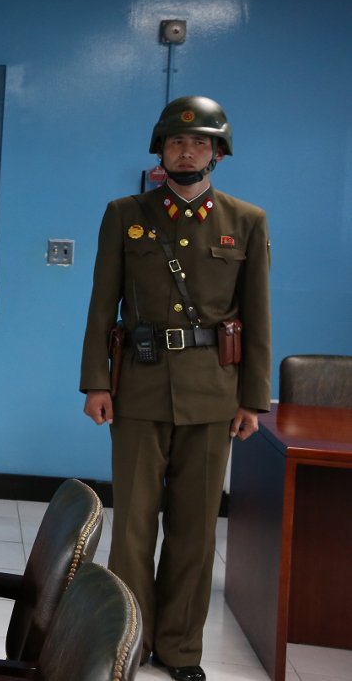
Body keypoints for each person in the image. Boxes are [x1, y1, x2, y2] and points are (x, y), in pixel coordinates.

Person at [79, 95, 271, 681]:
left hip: (214, 394)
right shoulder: (125, 213)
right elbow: (101, 304)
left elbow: (258, 315)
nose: (187, 151)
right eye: (176, 142)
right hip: (137, 387)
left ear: (217, 153)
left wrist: (252, 399)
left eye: (199, 143)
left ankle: (181, 650)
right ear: (160, 151)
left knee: (194, 528)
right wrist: (95, 383)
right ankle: (129, 641)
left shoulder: (246, 221)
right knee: (134, 526)